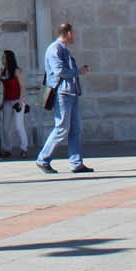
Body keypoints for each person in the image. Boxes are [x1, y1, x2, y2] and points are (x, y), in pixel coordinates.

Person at [36, 20, 93, 174]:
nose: (74, 36)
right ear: (68, 34)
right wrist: (78, 71)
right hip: (63, 94)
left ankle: (76, 163)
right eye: (72, 33)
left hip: (71, 93)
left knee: (75, 129)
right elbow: (59, 71)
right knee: (61, 128)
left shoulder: (63, 49)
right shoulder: (54, 49)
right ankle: (43, 159)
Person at [0, 49, 29, 158]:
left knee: (19, 126)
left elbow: (22, 87)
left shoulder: (17, 71)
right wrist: (2, 102)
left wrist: (21, 102)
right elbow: (4, 89)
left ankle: (24, 148)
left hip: (17, 100)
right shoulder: (3, 71)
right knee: (5, 127)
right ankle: (7, 148)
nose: (3, 59)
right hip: (7, 101)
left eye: (4, 57)